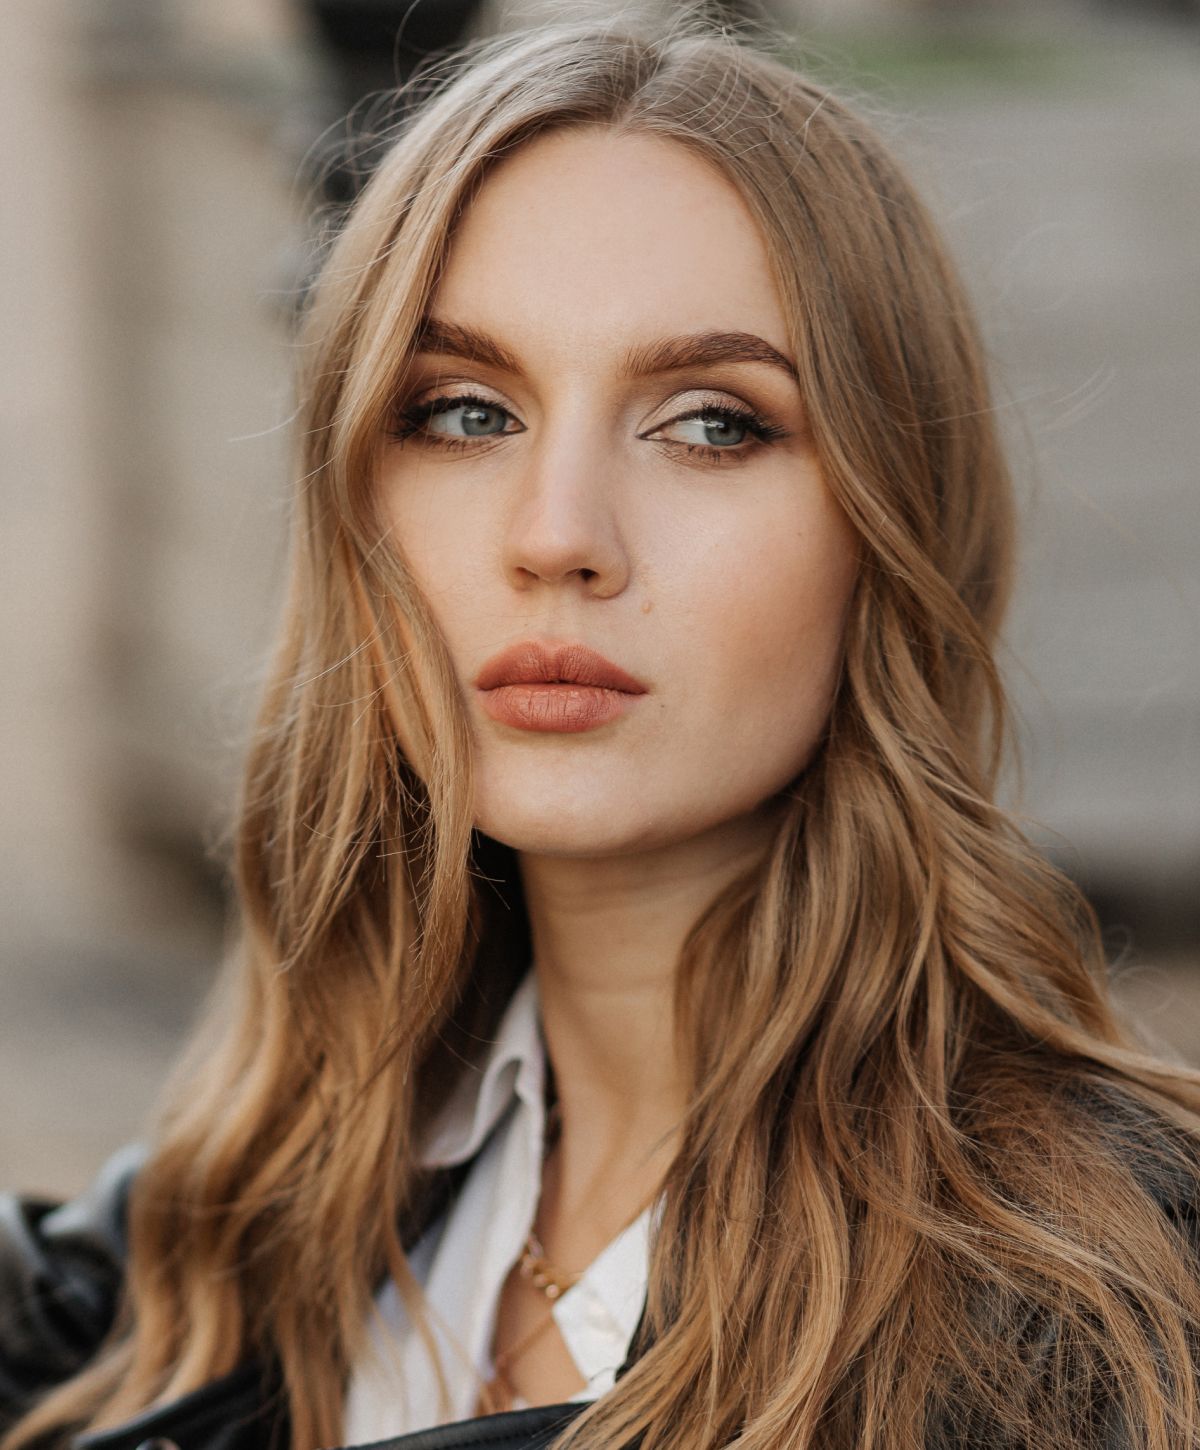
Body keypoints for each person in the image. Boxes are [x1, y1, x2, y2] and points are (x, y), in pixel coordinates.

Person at [4, 15, 1200, 1450]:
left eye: (710, 424)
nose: (558, 534)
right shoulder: (249, 1215)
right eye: (460, 412)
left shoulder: (1097, 1295)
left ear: (890, 529)